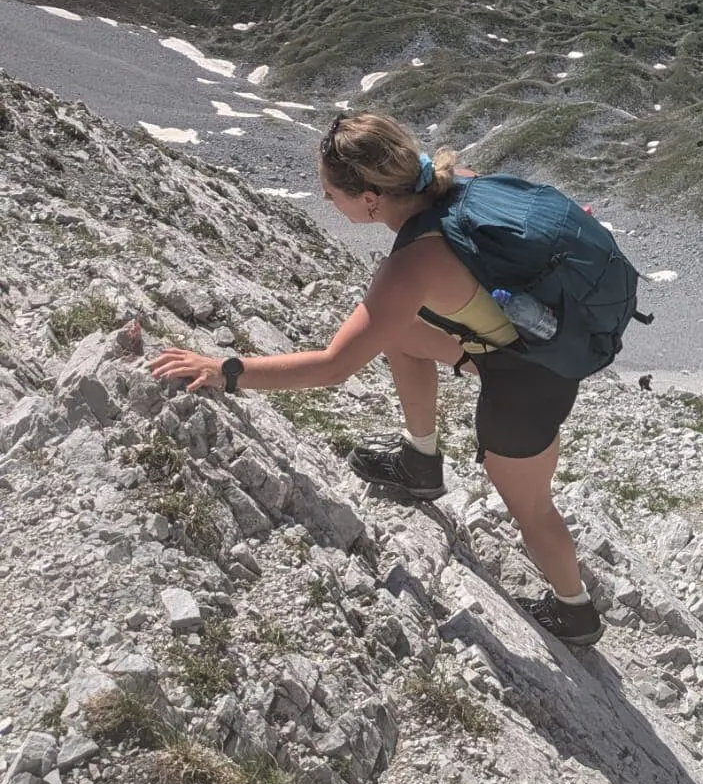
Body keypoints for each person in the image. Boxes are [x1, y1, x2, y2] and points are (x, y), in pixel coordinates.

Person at [148, 113, 603, 646]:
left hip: (530, 381)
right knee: (400, 331)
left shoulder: (411, 265)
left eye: (330, 194)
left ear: (369, 198)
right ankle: (420, 461)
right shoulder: (457, 182)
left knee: (532, 507)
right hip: (534, 343)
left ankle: (576, 613)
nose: (326, 202)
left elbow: (333, 366)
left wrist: (226, 370)